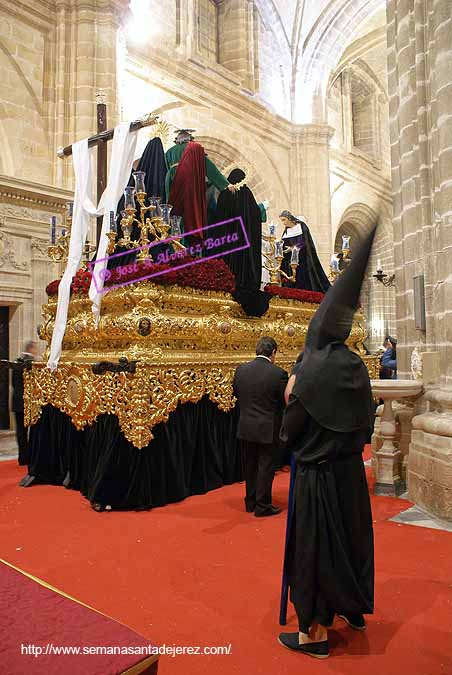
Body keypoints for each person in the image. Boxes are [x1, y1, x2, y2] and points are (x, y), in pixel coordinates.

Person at [278, 227, 376, 658]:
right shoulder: (356, 366)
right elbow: (366, 425)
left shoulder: (311, 369)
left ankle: (314, 635)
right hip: (351, 474)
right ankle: (352, 610)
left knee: (315, 553)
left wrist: (290, 395)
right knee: (353, 543)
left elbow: (289, 431)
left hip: (317, 479)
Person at [233, 336, 288, 517]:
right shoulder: (278, 373)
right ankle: (263, 505)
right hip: (267, 427)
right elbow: (283, 400)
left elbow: (236, 394)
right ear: (273, 353)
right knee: (266, 466)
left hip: (246, 426)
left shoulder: (241, 370)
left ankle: (250, 502)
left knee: (250, 465)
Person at [215, 168, 270, 317]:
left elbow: (217, 218)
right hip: (243, 245)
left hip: (227, 243)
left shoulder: (224, 194)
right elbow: (255, 215)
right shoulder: (246, 193)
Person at [165, 130, 236, 239]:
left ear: (177, 139)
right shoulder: (194, 148)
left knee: (174, 212)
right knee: (190, 212)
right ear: (190, 139)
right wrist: (225, 184)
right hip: (188, 180)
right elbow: (209, 167)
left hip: (171, 182)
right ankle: (188, 244)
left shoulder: (169, 152)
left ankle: (173, 242)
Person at [279, 211, 330, 293]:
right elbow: (283, 243)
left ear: (289, 218)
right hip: (289, 260)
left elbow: (305, 242)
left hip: (303, 258)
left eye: (284, 220)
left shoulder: (301, 226)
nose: (283, 223)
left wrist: (293, 248)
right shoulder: (286, 231)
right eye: (282, 220)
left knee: (303, 278)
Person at [12, 341, 37, 465]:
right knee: (32, 431)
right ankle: (30, 457)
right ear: (31, 349)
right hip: (28, 401)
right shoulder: (31, 363)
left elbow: (14, 384)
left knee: (20, 431)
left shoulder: (17, 362)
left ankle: (22, 458)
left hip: (16, 401)